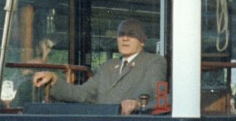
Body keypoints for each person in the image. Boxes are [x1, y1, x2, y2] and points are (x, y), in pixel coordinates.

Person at [32, 18, 167, 115]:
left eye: (131, 35)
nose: (124, 39)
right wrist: (54, 80)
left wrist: (137, 104)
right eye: (121, 34)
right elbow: (83, 94)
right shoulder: (107, 67)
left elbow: (156, 96)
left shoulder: (154, 62)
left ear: (143, 41)